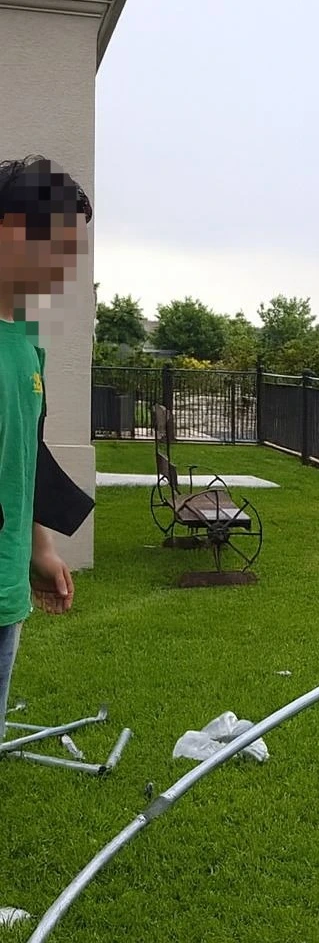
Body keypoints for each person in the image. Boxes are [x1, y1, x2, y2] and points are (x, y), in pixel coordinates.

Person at [0, 155, 94, 739]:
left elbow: (26, 453)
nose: (69, 264)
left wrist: (40, 547)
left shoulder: (26, 343)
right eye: (59, 245)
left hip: (6, 591)